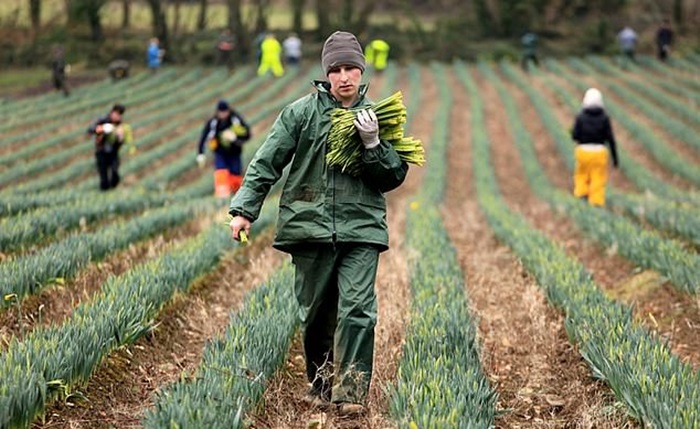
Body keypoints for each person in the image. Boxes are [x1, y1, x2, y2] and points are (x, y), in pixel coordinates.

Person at [228, 30, 409, 417]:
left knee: (358, 309)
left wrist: (374, 145)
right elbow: (266, 162)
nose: (344, 77)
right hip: (308, 227)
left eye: (351, 68)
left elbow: (393, 177)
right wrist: (244, 210)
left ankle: (352, 393)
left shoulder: (378, 117)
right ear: (327, 74)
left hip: (361, 228)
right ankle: (321, 384)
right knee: (315, 315)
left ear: (361, 71)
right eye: (337, 69)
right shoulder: (300, 113)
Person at [571, 88, 619, 207]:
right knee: (597, 179)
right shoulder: (604, 118)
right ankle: (596, 204)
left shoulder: (580, 117)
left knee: (581, 175)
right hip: (599, 152)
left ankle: (581, 198)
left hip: (583, 152)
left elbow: (575, 136)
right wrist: (615, 158)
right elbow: (610, 139)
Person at [196, 100, 252, 198]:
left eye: (225, 112)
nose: (223, 115)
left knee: (235, 175)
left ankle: (236, 198)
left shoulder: (235, 119)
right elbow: (204, 136)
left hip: (235, 152)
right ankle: (222, 197)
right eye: (221, 113)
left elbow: (247, 133)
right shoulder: (213, 122)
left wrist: (234, 138)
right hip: (220, 152)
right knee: (221, 172)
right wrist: (201, 153)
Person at [87, 104, 134, 191]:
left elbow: (127, 140)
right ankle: (104, 192)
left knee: (115, 173)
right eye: (116, 114)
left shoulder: (121, 126)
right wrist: (101, 129)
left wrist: (121, 138)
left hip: (113, 152)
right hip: (101, 151)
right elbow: (90, 130)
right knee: (103, 176)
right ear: (112, 113)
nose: (117, 117)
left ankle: (112, 190)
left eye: (120, 115)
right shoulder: (103, 120)